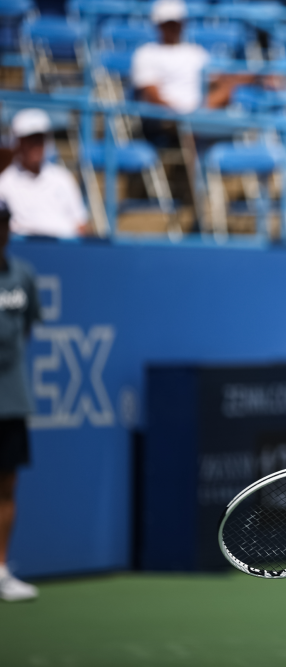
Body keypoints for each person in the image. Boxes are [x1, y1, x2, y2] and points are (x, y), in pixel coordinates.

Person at [0, 202, 42, 602]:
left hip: (11, 401)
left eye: (2, 224)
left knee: (7, 486)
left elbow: (26, 330)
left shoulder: (23, 277)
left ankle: (0, 570)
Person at [132, 0, 253, 113]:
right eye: (167, 24)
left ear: (182, 23)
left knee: (227, 91)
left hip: (197, 114)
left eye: (175, 23)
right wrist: (178, 116)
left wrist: (254, 78)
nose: (172, 28)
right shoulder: (146, 53)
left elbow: (218, 78)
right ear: (159, 25)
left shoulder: (195, 52)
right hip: (168, 117)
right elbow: (151, 94)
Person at [0, 109, 88, 238]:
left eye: (40, 139)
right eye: (30, 139)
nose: (36, 145)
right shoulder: (4, 181)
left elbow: (81, 225)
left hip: (65, 252)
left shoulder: (63, 178)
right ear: (18, 142)